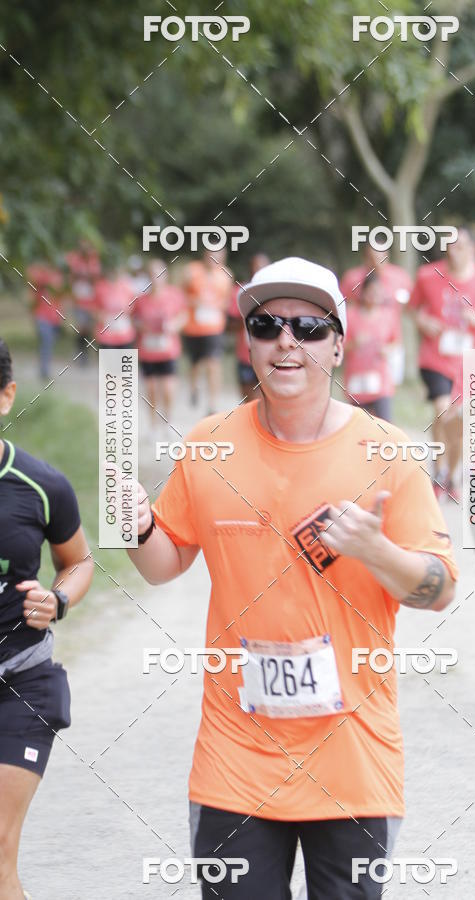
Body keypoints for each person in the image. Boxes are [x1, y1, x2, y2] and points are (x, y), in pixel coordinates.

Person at [127, 257, 458, 899]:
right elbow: (164, 564)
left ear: (339, 342)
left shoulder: (390, 453)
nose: (287, 341)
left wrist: (376, 551)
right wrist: (138, 527)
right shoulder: (207, 445)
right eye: (267, 324)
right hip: (235, 761)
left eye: (308, 328)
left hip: (352, 764)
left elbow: (440, 588)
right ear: (245, 341)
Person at [0, 337, 93, 900]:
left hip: (19, 681)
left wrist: (57, 599)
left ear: (6, 395)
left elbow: (78, 561)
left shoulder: (40, 485)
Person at [408, 226, 475, 500]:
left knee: (460, 421)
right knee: (442, 410)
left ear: (473, 249)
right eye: (450, 246)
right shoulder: (427, 275)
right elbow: (411, 309)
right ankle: (439, 469)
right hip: (435, 357)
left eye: (460, 247)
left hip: (471, 360)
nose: (454, 252)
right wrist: (423, 321)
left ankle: (451, 474)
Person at [340, 243, 412, 386]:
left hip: (390, 340)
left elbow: (410, 305)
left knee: (390, 386)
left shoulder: (400, 277)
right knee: (363, 388)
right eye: (373, 258)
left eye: (381, 258)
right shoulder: (353, 279)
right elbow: (342, 306)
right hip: (362, 343)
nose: (377, 263)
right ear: (365, 258)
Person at [132, 259, 186, 435]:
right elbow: (134, 320)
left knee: (168, 388)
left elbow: (183, 316)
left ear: (165, 276)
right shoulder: (141, 300)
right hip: (148, 351)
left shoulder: (174, 295)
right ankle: (153, 425)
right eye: (152, 275)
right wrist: (143, 327)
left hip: (168, 349)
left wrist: (173, 326)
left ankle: (169, 421)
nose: (155, 278)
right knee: (151, 389)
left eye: (159, 274)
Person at [181, 249, 233, 412]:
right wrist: (195, 301)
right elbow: (181, 295)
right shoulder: (192, 270)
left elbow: (227, 301)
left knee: (213, 362)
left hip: (214, 327)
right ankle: (194, 387)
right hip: (194, 327)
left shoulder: (226, 275)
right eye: (211, 255)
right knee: (195, 364)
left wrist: (216, 304)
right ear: (205, 255)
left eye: (218, 255)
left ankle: (212, 403)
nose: (214, 258)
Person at [343, 272, 399, 422]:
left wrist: (388, 349)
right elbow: (340, 348)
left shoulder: (389, 316)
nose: (375, 296)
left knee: (386, 425)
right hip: (357, 380)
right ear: (363, 292)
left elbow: (396, 342)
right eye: (371, 291)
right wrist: (355, 343)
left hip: (381, 381)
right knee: (360, 427)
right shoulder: (350, 316)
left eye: (378, 292)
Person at [228, 253, 270, 401]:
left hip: (268, 356)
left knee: (264, 400)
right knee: (248, 401)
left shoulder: (274, 293)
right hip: (245, 356)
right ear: (250, 268)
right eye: (255, 265)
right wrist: (243, 319)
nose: (258, 269)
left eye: (262, 265)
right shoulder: (240, 291)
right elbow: (229, 325)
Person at [64, 243, 102, 366]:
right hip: (79, 301)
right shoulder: (75, 260)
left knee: (90, 329)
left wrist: (88, 275)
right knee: (81, 328)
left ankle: (87, 351)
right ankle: (81, 353)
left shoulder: (94, 261)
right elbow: (71, 277)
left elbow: (96, 278)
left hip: (91, 301)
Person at [26, 263, 66, 381]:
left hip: (54, 317)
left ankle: (45, 367)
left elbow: (61, 298)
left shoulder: (59, 277)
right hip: (42, 316)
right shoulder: (39, 275)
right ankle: (44, 370)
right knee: (46, 341)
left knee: (49, 342)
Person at [93, 269, 136, 351]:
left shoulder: (127, 286)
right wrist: (100, 316)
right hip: (106, 336)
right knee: (109, 363)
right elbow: (94, 308)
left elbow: (134, 305)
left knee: (125, 363)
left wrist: (128, 313)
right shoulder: (100, 287)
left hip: (125, 334)